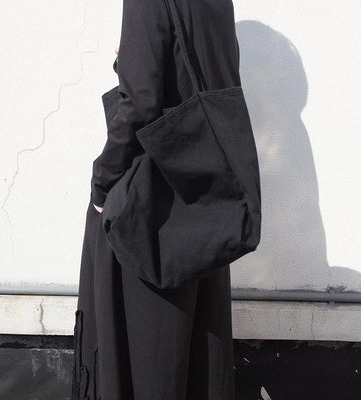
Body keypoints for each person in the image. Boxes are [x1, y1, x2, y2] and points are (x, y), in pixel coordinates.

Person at [71, 0, 241, 399]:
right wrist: (130, 60)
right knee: (197, 356)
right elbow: (197, 86)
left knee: (145, 359)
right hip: (203, 202)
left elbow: (140, 104)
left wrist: (102, 183)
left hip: (150, 212)